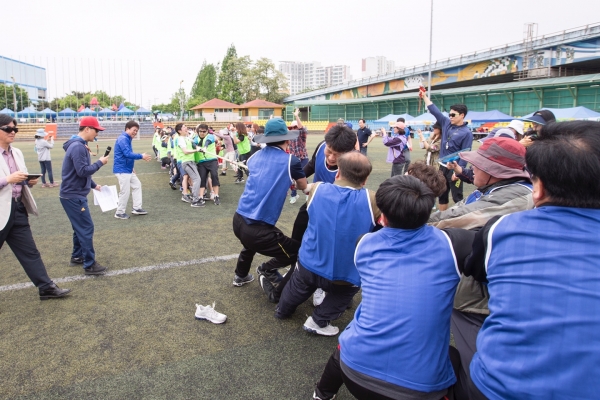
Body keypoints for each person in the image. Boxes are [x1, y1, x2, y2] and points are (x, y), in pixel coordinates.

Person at [461, 121, 600, 399]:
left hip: (496, 388)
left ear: (538, 188)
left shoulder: (503, 229)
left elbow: (476, 274)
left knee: (463, 298)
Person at [313, 175, 460, 400]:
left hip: (353, 372)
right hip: (417, 391)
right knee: (457, 357)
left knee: (349, 342)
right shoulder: (452, 245)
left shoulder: (365, 243)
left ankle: (322, 393)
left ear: (382, 215)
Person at [270, 152, 380, 336]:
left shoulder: (318, 189)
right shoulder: (373, 199)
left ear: (337, 173)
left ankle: (283, 310)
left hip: (310, 262)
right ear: (366, 179)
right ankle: (318, 320)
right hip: (345, 273)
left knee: (298, 284)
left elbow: (303, 186)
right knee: (344, 293)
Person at [259, 124, 357, 304]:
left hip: (331, 216)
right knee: (296, 246)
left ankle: (324, 287)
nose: (332, 157)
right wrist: (294, 177)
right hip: (311, 205)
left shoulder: (353, 165)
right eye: (330, 151)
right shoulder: (321, 147)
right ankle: (268, 268)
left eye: (338, 154)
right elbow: (312, 164)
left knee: (322, 252)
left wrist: (315, 189)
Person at [0, 115, 71, 300]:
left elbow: (19, 180)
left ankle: (46, 287)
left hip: (17, 209)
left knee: (29, 251)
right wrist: (7, 180)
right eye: (8, 129)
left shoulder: (16, 153)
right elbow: (8, 180)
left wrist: (27, 181)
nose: (13, 132)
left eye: (15, 129)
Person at [231, 118, 307, 287]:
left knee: (248, 244)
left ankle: (240, 275)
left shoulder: (254, 157)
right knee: (296, 251)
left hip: (238, 220)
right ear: (287, 139)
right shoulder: (291, 161)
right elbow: (303, 186)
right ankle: (266, 269)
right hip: (258, 230)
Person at [60, 116, 110, 275]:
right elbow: (82, 171)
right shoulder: (78, 147)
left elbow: (78, 173)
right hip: (74, 195)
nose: (97, 134)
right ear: (87, 129)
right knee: (86, 228)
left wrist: (94, 185)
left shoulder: (77, 145)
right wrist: (100, 162)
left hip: (71, 193)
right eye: (96, 130)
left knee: (79, 228)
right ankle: (89, 264)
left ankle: (77, 256)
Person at [421, 92, 473, 211]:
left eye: (453, 114)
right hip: (442, 167)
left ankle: (463, 218)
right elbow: (434, 110)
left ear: (462, 115)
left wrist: (458, 172)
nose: (450, 116)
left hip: (455, 168)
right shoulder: (446, 123)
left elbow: (465, 154)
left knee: (457, 197)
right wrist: (424, 96)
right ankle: (442, 219)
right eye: (449, 114)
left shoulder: (466, 133)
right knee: (442, 195)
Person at [113, 121, 152, 220]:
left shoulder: (127, 138)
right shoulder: (123, 138)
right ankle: (119, 212)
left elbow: (127, 154)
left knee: (137, 185)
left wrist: (131, 167)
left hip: (127, 169)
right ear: (127, 129)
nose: (135, 132)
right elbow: (127, 154)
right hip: (122, 170)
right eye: (134, 130)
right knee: (124, 191)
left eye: (137, 131)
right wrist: (141, 156)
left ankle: (137, 208)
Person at [176, 123, 204, 207]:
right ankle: (195, 201)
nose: (186, 128)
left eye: (186, 126)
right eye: (184, 127)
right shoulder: (181, 139)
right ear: (179, 131)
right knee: (197, 179)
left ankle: (195, 198)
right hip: (187, 162)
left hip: (191, 162)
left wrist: (199, 148)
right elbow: (185, 151)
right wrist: (197, 150)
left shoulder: (187, 138)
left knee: (196, 179)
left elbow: (195, 144)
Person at [194, 124, 221, 205]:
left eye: (204, 131)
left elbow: (208, 141)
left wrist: (205, 147)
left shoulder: (210, 136)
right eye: (200, 131)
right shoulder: (196, 138)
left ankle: (216, 195)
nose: (202, 133)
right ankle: (201, 197)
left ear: (207, 131)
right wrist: (196, 147)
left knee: (214, 175)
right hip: (201, 162)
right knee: (202, 179)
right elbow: (193, 143)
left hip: (212, 160)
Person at [288, 108, 308, 203]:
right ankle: (294, 195)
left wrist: (296, 116)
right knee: (292, 178)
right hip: (293, 159)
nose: (293, 129)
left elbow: (302, 128)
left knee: (302, 176)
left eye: (295, 127)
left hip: (303, 158)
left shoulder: (302, 135)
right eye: (291, 128)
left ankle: (308, 194)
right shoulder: (288, 137)